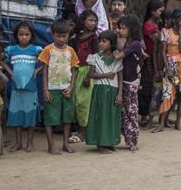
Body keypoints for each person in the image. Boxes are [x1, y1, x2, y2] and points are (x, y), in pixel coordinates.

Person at [39, 20, 79, 155]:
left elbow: (74, 70)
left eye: (64, 36)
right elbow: (44, 70)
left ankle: (65, 144)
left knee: (67, 118)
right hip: (51, 89)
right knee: (50, 118)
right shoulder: (48, 50)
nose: (61, 39)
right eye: (58, 36)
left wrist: (72, 87)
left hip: (66, 89)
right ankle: (51, 145)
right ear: (53, 35)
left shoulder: (71, 51)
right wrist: (45, 89)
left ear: (68, 35)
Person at [5, 22, 42, 152]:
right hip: (16, 88)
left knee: (30, 116)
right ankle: (18, 142)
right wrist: (10, 72)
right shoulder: (11, 50)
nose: (24, 37)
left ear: (31, 35)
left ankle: (30, 142)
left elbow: (46, 60)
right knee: (16, 115)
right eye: (21, 34)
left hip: (31, 87)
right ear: (16, 35)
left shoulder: (36, 50)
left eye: (27, 34)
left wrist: (38, 70)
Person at [85, 30, 123, 154]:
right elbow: (90, 74)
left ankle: (109, 142)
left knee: (111, 117)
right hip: (99, 91)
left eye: (104, 41)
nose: (101, 43)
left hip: (112, 91)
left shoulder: (117, 58)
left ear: (111, 44)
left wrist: (120, 94)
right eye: (100, 41)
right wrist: (105, 75)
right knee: (100, 117)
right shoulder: (95, 57)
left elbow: (120, 77)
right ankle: (100, 144)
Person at [155, 10, 181, 131]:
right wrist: (167, 68)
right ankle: (161, 123)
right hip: (170, 66)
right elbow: (163, 52)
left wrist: (180, 33)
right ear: (175, 21)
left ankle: (178, 122)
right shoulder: (165, 32)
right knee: (168, 93)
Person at [115, 15, 145, 151]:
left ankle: (133, 140)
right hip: (127, 80)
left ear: (131, 29)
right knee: (126, 111)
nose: (120, 31)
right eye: (119, 28)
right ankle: (129, 139)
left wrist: (114, 49)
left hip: (131, 82)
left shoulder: (134, 44)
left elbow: (118, 56)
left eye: (123, 28)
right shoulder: (129, 42)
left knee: (131, 111)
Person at [71, 10, 99, 142]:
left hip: (87, 70)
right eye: (90, 20)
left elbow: (95, 57)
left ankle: (83, 131)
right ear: (83, 21)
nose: (93, 23)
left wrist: (89, 75)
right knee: (75, 100)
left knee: (84, 102)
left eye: (95, 21)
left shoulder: (94, 38)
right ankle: (79, 128)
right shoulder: (76, 37)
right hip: (76, 70)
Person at [140, 0, 164, 128]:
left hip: (155, 57)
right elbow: (158, 40)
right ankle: (144, 116)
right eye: (160, 11)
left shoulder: (155, 24)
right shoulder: (149, 26)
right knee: (147, 86)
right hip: (149, 58)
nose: (161, 13)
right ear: (153, 11)